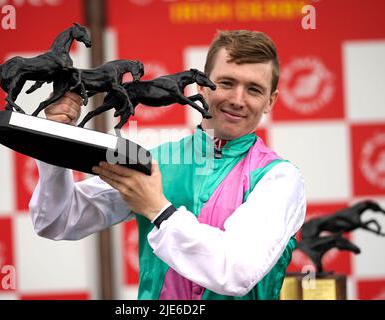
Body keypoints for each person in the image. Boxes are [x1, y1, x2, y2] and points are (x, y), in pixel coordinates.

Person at [29, 30, 306, 300]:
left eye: (254, 90)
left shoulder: (280, 179)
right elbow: (57, 220)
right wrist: (56, 139)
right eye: (226, 83)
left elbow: (234, 271)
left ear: (270, 101)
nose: (237, 99)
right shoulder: (153, 161)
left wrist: (158, 210)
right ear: (201, 86)